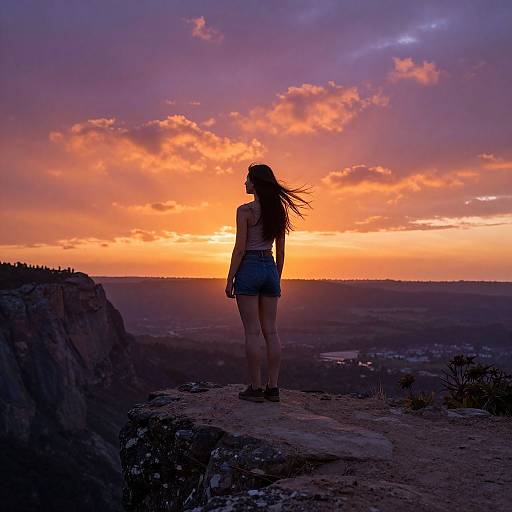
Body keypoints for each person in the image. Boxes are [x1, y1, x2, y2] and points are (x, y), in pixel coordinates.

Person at [225, 163, 313, 403]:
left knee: (252, 332)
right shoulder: (278, 211)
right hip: (270, 268)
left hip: (250, 268)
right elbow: (281, 252)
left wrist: (230, 278)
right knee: (271, 331)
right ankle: (273, 387)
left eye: (248, 179)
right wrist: (277, 277)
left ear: (256, 183)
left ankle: (255, 388)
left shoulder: (245, 211)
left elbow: (240, 248)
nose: (245, 183)